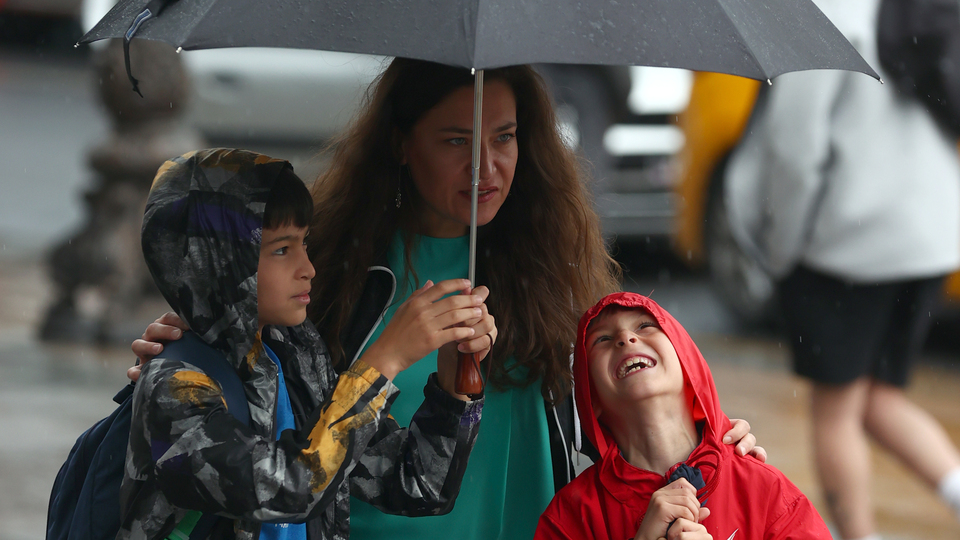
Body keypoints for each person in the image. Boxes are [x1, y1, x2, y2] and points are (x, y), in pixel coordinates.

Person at [133, 59, 764, 540]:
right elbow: (273, 449)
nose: (486, 167)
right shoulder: (324, 268)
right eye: (456, 141)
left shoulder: (547, 267)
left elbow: (619, 423)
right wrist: (198, 344)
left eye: (505, 137)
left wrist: (710, 445)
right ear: (403, 144)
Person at [124, 148, 494, 539]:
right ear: (220, 264)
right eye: (281, 250)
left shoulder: (293, 352)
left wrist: (453, 392)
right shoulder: (175, 385)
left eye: (304, 243)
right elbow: (288, 490)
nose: (308, 268)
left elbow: (418, 485)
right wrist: (383, 362)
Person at [723, 0, 960, 537]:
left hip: (848, 245)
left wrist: (780, 250)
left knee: (835, 411)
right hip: (930, 236)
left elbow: (794, 148)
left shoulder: (821, 13)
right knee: (877, 397)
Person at [535, 292, 830, 540]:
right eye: (602, 339)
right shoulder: (573, 517)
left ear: (688, 367)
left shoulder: (764, 490)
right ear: (591, 399)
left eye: (645, 326)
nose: (625, 338)